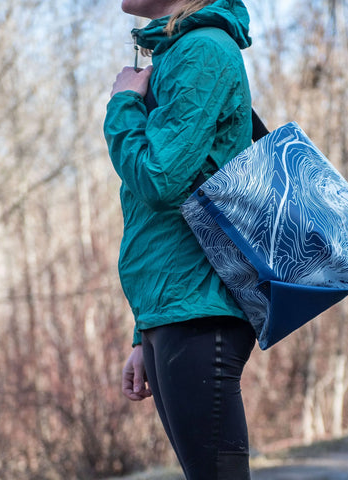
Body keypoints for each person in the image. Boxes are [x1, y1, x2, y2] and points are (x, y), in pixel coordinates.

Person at [103, 0, 256, 478]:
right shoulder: (179, 53)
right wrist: (142, 332)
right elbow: (165, 218)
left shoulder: (203, 52)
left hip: (199, 309)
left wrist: (123, 104)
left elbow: (159, 178)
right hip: (175, 309)